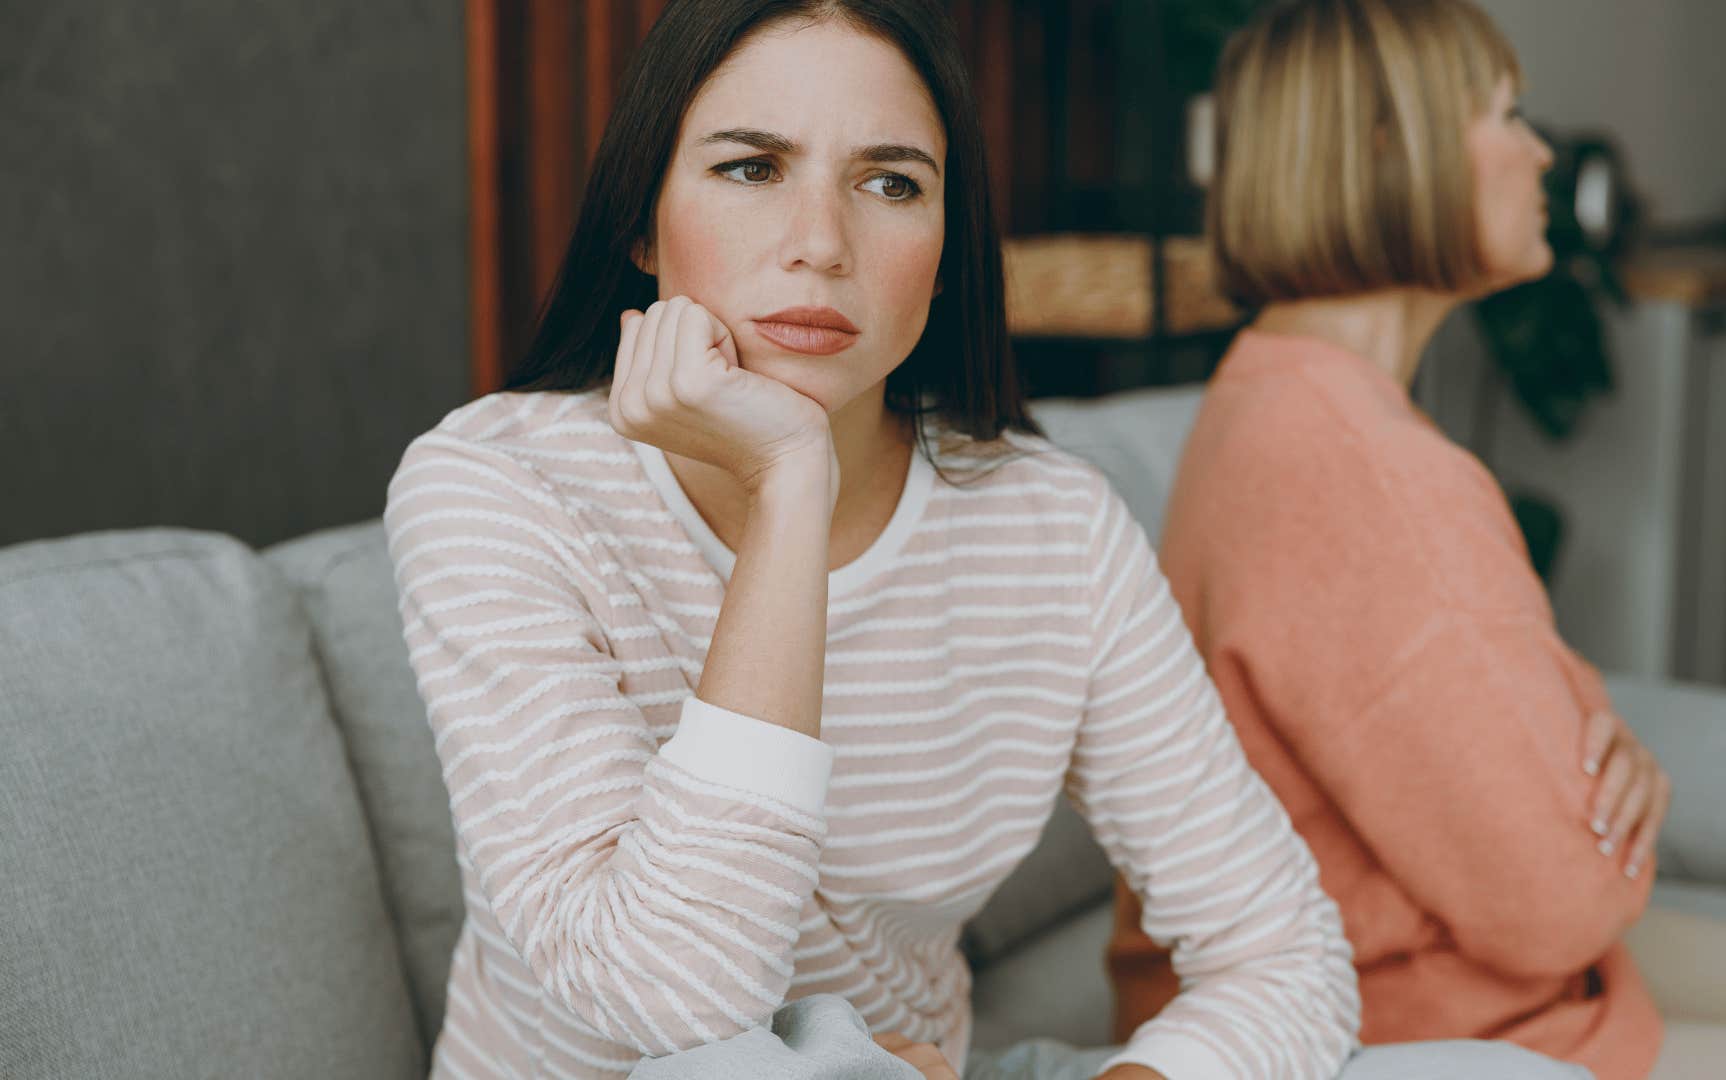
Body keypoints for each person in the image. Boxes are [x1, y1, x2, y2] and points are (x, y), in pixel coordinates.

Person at [382, 1, 1577, 1077]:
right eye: (752, 168)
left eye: (891, 183)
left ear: (948, 249)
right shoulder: (499, 488)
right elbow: (671, 1002)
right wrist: (791, 486)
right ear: (642, 227)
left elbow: (1283, 951)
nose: (822, 242)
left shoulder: (1050, 526)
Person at [1104, 2, 1726, 1078]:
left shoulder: (1279, 390)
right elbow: (1562, 903)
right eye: (1507, 115)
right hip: (1402, 1020)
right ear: (1395, 154)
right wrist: (1598, 754)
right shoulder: (1373, 475)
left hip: (1400, 973)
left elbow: (1510, 697)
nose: (1542, 152)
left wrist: (1594, 735)